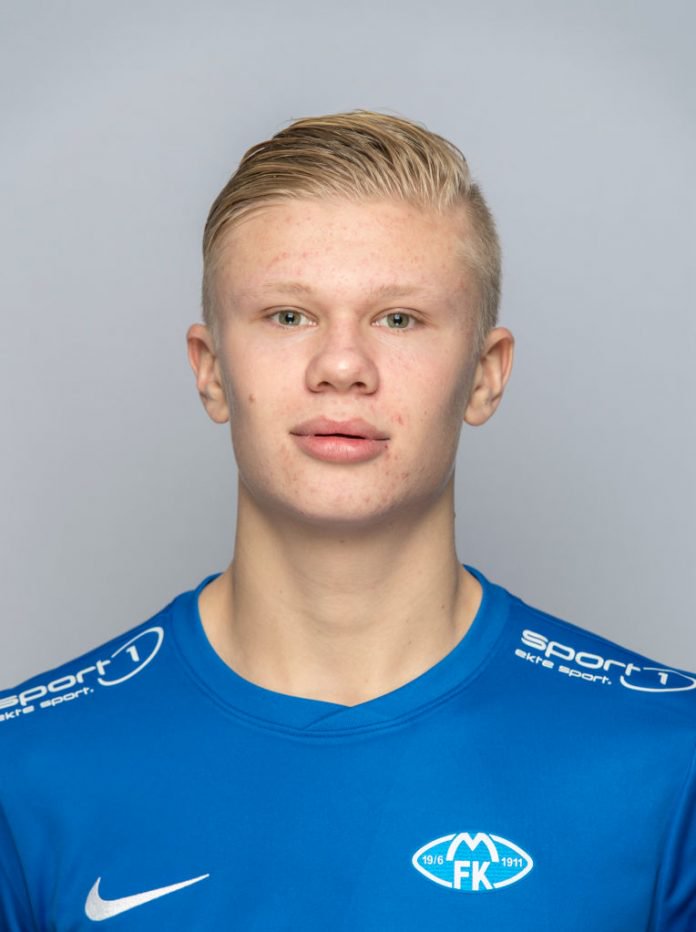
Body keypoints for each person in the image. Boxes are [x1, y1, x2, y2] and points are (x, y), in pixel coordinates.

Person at [1, 111, 694, 931]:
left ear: (485, 375)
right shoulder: (27, 770)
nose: (341, 366)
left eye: (398, 318)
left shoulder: (668, 761)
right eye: (287, 316)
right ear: (211, 370)